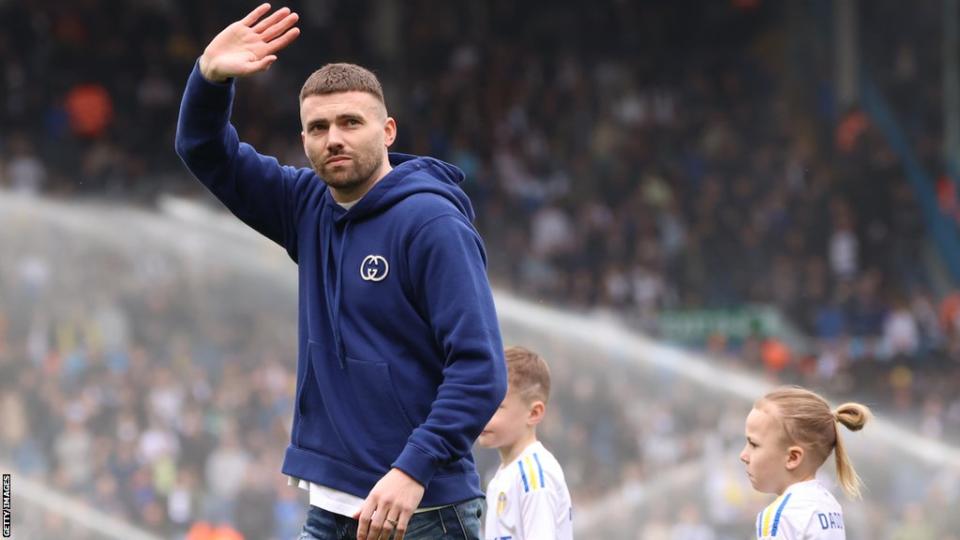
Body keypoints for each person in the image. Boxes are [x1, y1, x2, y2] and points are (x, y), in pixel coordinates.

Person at [174, 4, 508, 540]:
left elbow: (480, 368)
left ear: (388, 129)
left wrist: (411, 470)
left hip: (422, 513)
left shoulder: (432, 224)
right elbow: (205, 151)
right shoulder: (304, 204)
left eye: (351, 122)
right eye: (318, 127)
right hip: (330, 510)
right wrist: (209, 78)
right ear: (304, 139)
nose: (334, 138)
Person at [740, 386, 871, 539]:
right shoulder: (829, 504)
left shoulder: (780, 516)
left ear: (793, 458)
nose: (743, 455)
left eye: (753, 444)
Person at [478, 346, 573, 539]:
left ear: (534, 413)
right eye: (481, 401)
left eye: (497, 406)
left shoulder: (534, 476)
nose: (482, 414)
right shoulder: (503, 474)